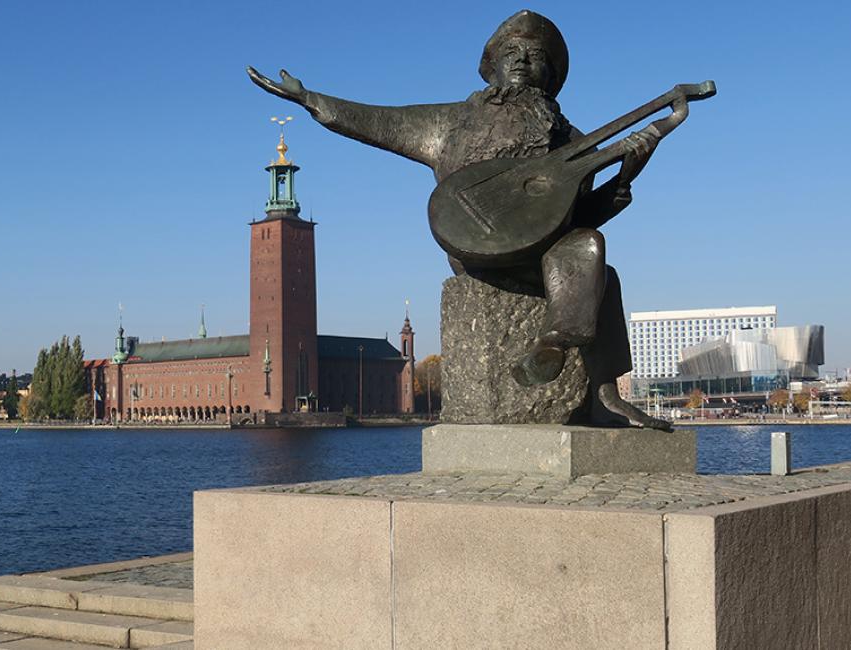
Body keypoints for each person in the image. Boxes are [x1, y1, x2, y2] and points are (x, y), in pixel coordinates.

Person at [249, 10, 668, 429]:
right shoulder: (450, 123)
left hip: (541, 254)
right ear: (492, 66)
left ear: (552, 74)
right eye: (511, 52)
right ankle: (583, 372)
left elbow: (577, 217)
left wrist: (628, 172)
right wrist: (310, 99)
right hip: (476, 248)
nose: (522, 60)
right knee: (592, 262)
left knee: (596, 259)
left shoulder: (573, 142)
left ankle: (592, 384)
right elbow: (375, 120)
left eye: (536, 55)